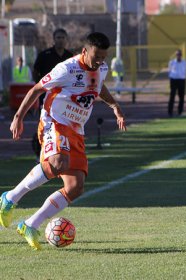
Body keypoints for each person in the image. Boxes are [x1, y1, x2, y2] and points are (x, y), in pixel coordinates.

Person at [0, 32, 126, 250]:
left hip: (76, 129)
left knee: (76, 187)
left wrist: (114, 106)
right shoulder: (67, 69)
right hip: (54, 121)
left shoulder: (101, 68)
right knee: (58, 162)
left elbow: (98, 87)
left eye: (103, 57)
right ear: (85, 51)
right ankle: (10, 198)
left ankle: (30, 224)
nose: (100, 61)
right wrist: (18, 117)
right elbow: (36, 89)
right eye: (96, 56)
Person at [32, 28, 74, 160]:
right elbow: (36, 71)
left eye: (62, 38)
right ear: (54, 39)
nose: (60, 40)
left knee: (64, 126)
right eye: (58, 38)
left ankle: (62, 152)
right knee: (45, 125)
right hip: (47, 97)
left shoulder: (70, 56)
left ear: (66, 39)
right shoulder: (45, 55)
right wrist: (41, 87)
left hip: (65, 98)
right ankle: (41, 153)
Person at [168, 49, 186, 117]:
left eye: (179, 54)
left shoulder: (184, 62)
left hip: (181, 80)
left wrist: (183, 77)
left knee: (181, 96)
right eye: (177, 54)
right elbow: (169, 71)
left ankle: (180, 111)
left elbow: (184, 70)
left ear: (181, 55)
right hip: (173, 80)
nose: (178, 56)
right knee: (172, 96)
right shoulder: (172, 62)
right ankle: (170, 112)